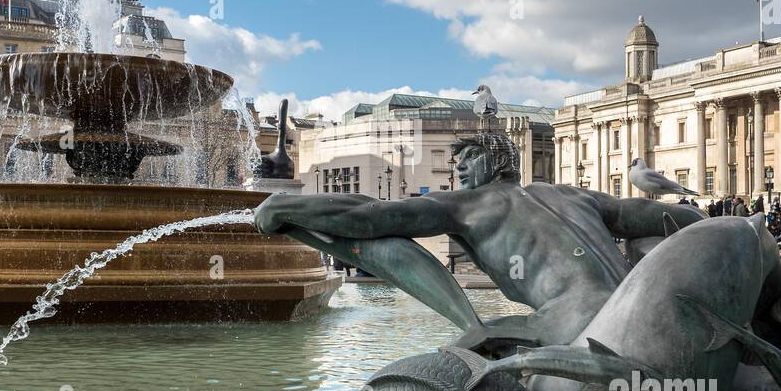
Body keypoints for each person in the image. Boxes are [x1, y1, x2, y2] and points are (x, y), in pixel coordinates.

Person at [255, 130, 706, 349]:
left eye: (469, 158)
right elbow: (675, 216)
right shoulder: (576, 194)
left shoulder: (466, 205)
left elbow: (371, 217)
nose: (460, 170)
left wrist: (283, 207)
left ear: (496, 161)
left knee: (444, 366)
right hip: (639, 313)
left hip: (572, 325)